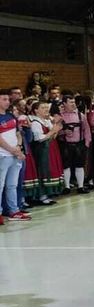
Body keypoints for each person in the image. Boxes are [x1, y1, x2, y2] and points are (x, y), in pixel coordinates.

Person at [0, 90, 30, 222]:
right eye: (4, 99)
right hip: (3, 155)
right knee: (0, 185)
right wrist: (12, 150)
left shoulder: (11, 115)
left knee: (12, 185)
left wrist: (18, 147)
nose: (7, 102)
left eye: (8, 99)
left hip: (15, 155)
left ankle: (14, 211)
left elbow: (18, 133)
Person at [27, 101, 63, 204]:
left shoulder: (46, 121)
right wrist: (53, 131)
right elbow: (39, 138)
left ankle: (47, 194)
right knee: (42, 170)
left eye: (47, 107)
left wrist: (56, 126)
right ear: (36, 110)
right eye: (43, 108)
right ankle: (41, 195)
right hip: (42, 149)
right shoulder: (35, 122)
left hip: (50, 148)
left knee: (49, 170)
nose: (46, 109)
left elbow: (53, 136)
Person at [58, 96, 91, 194]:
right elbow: (55, 131)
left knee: (80, 165)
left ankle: (80, 186)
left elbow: (86, 130)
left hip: (79, 144)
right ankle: (67, 187)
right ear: (64, 103)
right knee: (66, 166)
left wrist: (87, 143)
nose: (73, 104)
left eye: (74, 102)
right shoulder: (60, 116)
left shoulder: (80, 115)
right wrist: (63, 132)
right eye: (70, 102)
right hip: (65, 144)